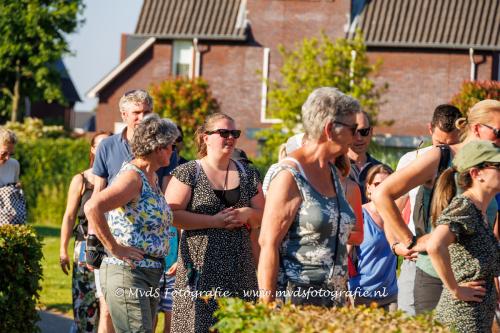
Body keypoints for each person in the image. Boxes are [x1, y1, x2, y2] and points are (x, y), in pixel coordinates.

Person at [372, 99, 500, 314]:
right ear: (477, 128)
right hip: (436, 280)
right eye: (499, 132)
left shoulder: (492, 167)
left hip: (476, 284)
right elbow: (382, 194)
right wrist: (409, 241)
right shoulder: (441, 156)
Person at [258, 87, 359, 306]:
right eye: (353, 128)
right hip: (297, 301)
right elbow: (268, 244)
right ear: (330, 129)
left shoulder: (332, 172)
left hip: (336, 301)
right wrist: (266, 309)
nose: (357, 136)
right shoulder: (289, 175)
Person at [86, 89, 177, 333]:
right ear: (157, 147)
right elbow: (93, 205)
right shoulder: (132, 177)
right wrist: (113, 247)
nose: (173, 150)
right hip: (128, 273)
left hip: (150, 272)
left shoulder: (152, 179)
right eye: (170, 145)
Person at [166, 112, 264, 333]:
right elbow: (170, 214)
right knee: (196, 326)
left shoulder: (248, 174)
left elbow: (265, 215)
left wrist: (248, 213)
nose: (230, 138)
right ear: (205, 137)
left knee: (240, 325)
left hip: (240, 268)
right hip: (200, 268)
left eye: (234, 133)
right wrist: (213, 221)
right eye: (223, 133)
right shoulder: (188, 172)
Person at [395, 104, 462, 315]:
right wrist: (398, 244)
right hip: (418, 259)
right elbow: (392, 207)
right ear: (430, 129)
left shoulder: (468, 162)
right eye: (440, 144)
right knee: (411, 320)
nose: (445, 152)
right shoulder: (411, 160)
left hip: (457, 261)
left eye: (452, 144)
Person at [427, 140, 500, 333]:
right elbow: (435, 245)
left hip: (477, 320)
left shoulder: (480, 212)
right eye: (498, 166)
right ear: (476, 174)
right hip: (461, 320)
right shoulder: (465, 207)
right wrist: (456, 289)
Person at [59, 131, 111, 333]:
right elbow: (69, 216)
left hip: (111, 245)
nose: (105, 149)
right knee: (85, 302)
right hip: (84, 245)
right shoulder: (81, 179)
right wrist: (63, 249)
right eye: (101, 145)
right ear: (92, 149)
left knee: (107, 304)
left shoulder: (118, 178)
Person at [349, 164, 398, 311]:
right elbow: (343, 256)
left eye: (387, 184)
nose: (382, 188)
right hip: (360, 295)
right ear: (369, 188)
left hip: (391, 296)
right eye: (377, 184)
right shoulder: (359, 214)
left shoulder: (397, 215)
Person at [347, 111, 382, 203]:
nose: (359, 138)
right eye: (354, 132)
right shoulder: (333, 169)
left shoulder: (382, 171)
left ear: (370, 132)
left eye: (364, 132)